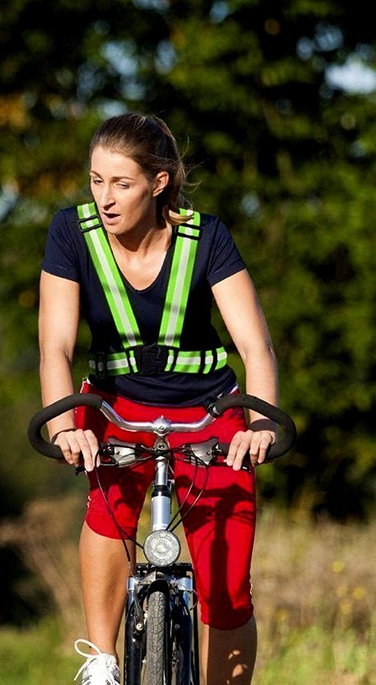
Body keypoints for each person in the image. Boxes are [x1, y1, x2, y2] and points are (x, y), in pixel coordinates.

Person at [38, 113, 279, 685]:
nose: (105, 198)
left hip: (209, 412)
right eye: (97, 181)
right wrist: (63, 425)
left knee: (227, 583)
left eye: (121, 184)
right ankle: (101, 661)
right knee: (108, 510)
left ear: (159, 183)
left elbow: (256, 346)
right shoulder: (70, 232)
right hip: (115, 409)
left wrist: (260, 424)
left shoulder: (208, 237)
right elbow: (56, 346)